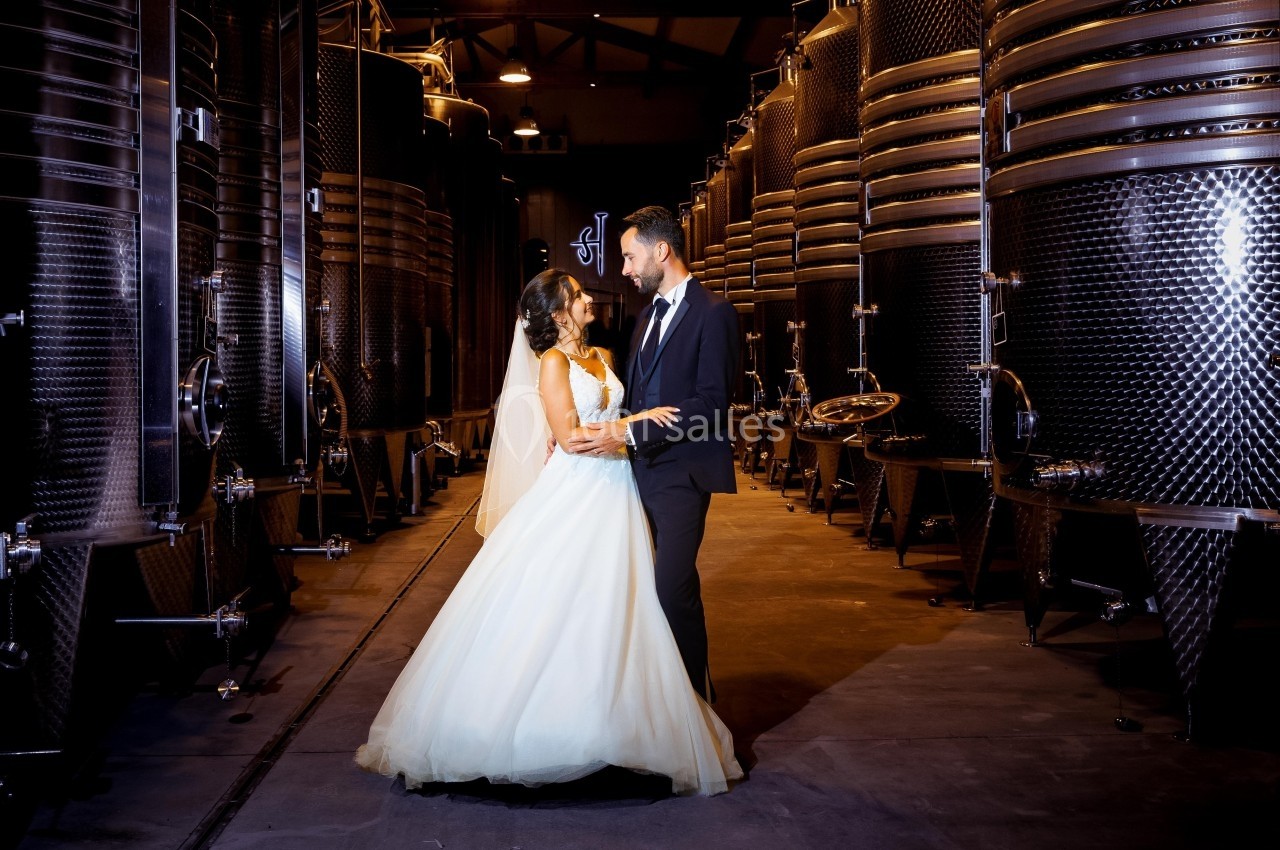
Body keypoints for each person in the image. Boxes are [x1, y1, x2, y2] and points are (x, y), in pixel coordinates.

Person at [356, 269, 743, 796]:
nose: (588, 300)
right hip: (580, 486)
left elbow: (618, 412)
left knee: (616, 601)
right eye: (578, 295)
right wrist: (630, 425)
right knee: (561, 595)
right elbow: (569, 436)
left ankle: (616, 719)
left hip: (618, 488)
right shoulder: (553, 363)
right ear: (559, 313)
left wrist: (634, 424)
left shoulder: (604, 356)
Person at [567, 205, 739, 704]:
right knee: (638, 593)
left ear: (661, 251)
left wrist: (632, 432)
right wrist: (581, 431)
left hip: (682, 473)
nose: (623, 269)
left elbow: (712, 403)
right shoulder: (645, 318)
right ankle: (657, 705)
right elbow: (634, 397)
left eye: (629, 257)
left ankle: (695, 708)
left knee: (673, 589)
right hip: (632, 474)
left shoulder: (715, 313)